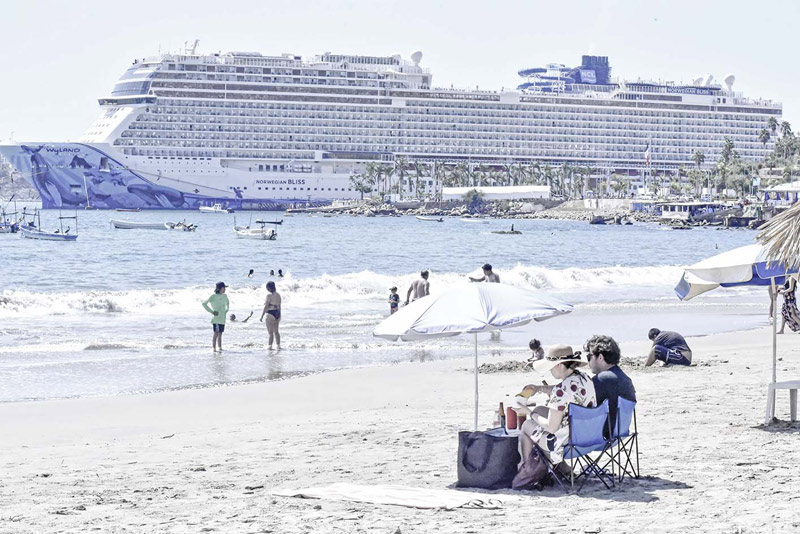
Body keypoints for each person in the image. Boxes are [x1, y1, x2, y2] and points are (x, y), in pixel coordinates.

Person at [515, 345, 596, 467]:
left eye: (550, 366)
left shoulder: (560, 391)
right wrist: (539, 388)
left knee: (527, 425)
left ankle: (526, 467)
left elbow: (551, 428)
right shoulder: (584, 378)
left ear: (559, 365)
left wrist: (528, 412)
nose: (550, 370)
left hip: (566, 442)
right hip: (587, 434)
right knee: (539, 410)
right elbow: (567, 390)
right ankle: (562, 468)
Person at [585, 335, 636, 435]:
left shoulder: (601, 380)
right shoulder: (626, 379)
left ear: (600, 357)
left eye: (589, 357)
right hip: (619, 433)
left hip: (599, 436)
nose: (588, 362)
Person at [202, 282, 230, 353]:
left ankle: (220, 348)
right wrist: (211, 311)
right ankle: (214, 348)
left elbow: (228, 304)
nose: (225, 289)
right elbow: (204, 304)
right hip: (216, 319)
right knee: (216, 333)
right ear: (220, 288)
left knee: (220, 333)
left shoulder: (225, 296)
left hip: (222, 318)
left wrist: (226, 310)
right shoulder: (213, 296)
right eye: (224, 288)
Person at [260, 281, 282, 350]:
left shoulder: (269, 296)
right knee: (276, 332)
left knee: (270, 333)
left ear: (268, 288)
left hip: (270, 313)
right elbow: (279, 306)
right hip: (277, 313)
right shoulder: (278, 295)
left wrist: (262, 316)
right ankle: (278, 346)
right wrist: (279, 315)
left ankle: (270, 346)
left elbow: (266, 306)